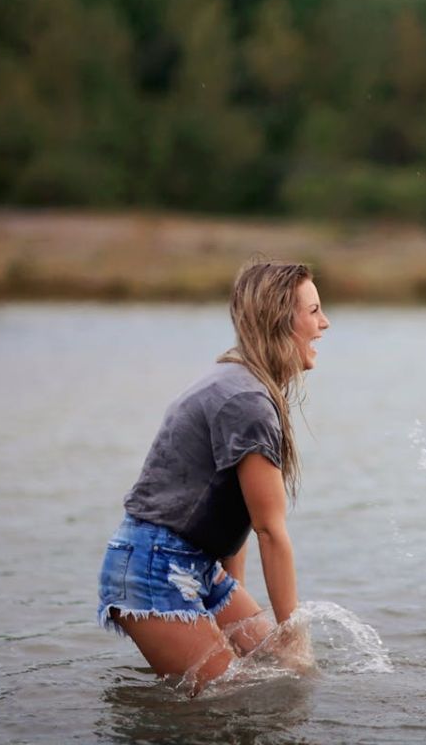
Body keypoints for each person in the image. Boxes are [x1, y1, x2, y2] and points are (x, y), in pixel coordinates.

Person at [97, 260, 329, 689]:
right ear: (281, 319)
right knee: (237, 696)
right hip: (154, 567)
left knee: (277, 671)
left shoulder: (244, 383)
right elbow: (270, 530)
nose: (324, 323)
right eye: (313, 311)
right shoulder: (247, 401)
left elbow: (234, 513)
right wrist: (294, 634)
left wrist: (230, 607)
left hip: (195, 565)